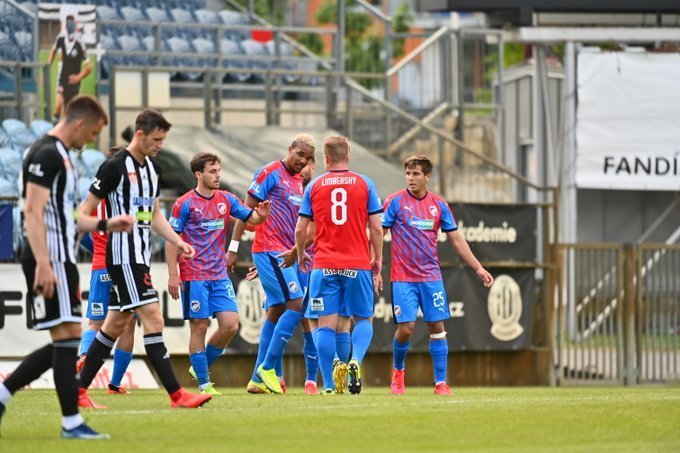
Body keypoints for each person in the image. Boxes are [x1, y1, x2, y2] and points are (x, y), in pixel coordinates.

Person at [0, 95, 135, 439]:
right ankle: (70, 422)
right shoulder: (46, 153)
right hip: (51, 258)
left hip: (62, 257)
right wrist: (44, 264)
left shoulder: (60, 155)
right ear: (78, 123)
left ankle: (16, 400)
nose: (90, 140)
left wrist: (106, 225)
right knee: (67, 338)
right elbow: (32, 211)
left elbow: (65, 217)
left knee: (67, 340)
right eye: (91, 132)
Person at [76, 109, 211, 409]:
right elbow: (82, 214)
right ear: (140, 135)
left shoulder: (153, 169)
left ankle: (78, 389)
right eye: (156, 139)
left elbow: (153, 216)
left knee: (113, 325)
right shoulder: (113, 167)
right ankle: (177, 395)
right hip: (122, 258)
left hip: (140, 258)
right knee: (153, 317)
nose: (160, 145)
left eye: (163, 139)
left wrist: (177, 240)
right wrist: (108, 225)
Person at [382, 155, 494, 395]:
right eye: (408, 174)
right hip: (403, 277)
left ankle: (440, 383)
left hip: (430, 277)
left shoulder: (439, 205)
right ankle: (398, 374)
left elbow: (456, 239)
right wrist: (371, 260)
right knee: (406, 329)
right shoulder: (394, 202)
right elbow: (377, 233)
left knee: (437, 327)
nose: (411, 179)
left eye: (416, 174)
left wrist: (478, 267)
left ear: (427, 176)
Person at [166, 153, 271, 395]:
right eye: (212, 171)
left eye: (219, 170)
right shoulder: (184, 203)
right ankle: (204, 384)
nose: (218, 175)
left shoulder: (226, 199)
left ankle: (200, 366)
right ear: (198, 174)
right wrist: (174, 274)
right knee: (200, 326)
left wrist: (261, 216)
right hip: (194, 275)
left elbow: (250, 218)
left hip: (219, 275)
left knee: (230, 326)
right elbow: (172, 240)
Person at [291, 135, 383, 395]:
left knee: (324, 325)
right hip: (357, 263)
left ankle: (330, 385)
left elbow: (301, 228)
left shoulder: (315, 186)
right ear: (349, 156)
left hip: (324, 265)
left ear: (325, 158)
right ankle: (355, 361)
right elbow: (376, 226)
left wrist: (300, 254)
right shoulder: (365, 183)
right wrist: (377, 258)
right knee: (363, 319)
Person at [227, 134, 315, 395]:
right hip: (270, 250)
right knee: (297, 306)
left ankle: (257, 379)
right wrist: (233, 248)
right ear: (290, 149)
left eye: (308, 158)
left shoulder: (300, 181)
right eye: (300, 154)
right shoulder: (269, 173)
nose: (303, 161)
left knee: (276, 311)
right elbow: (245, 211)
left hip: (285, 254)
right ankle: (267, 368)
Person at [77, 146, 137, 396]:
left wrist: (96, 248)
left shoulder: (94, 195)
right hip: (125, 265)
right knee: (129, 324)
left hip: (101, 264)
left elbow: (79, 229)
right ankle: (114, 383)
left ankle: (83, 358)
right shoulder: (129, 194)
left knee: (96, 322)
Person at [47, 14, 92, 120]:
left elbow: (89, 66)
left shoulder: (80, 43)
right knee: (58, 106)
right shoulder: (61, 37)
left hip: (74, 83)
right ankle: (55, 129)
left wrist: (79, 77)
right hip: (62, 78)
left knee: (69, 111)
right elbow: (53, 50)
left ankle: (64, 131)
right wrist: (48, 65)